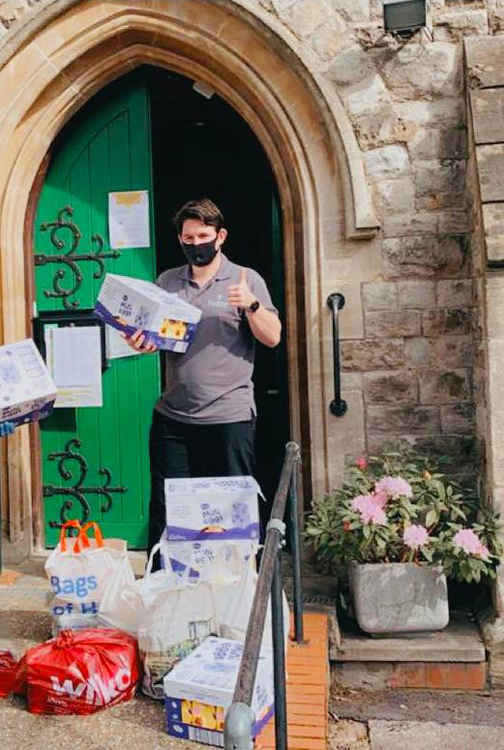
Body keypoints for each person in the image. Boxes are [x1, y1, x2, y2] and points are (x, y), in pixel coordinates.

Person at [123, 198, 281, 565]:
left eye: (203, 235)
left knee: (230, 513)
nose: (196, 243)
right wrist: (140, 342)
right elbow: (155, 337)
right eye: (187, 237)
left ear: (220, 236)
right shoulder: (167, 281)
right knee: (168, 509)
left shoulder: (246, 279)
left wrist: (252, 306)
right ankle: (165, 591)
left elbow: (272, 337)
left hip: (229, 417)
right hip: (173, 417)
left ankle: (240, 591)